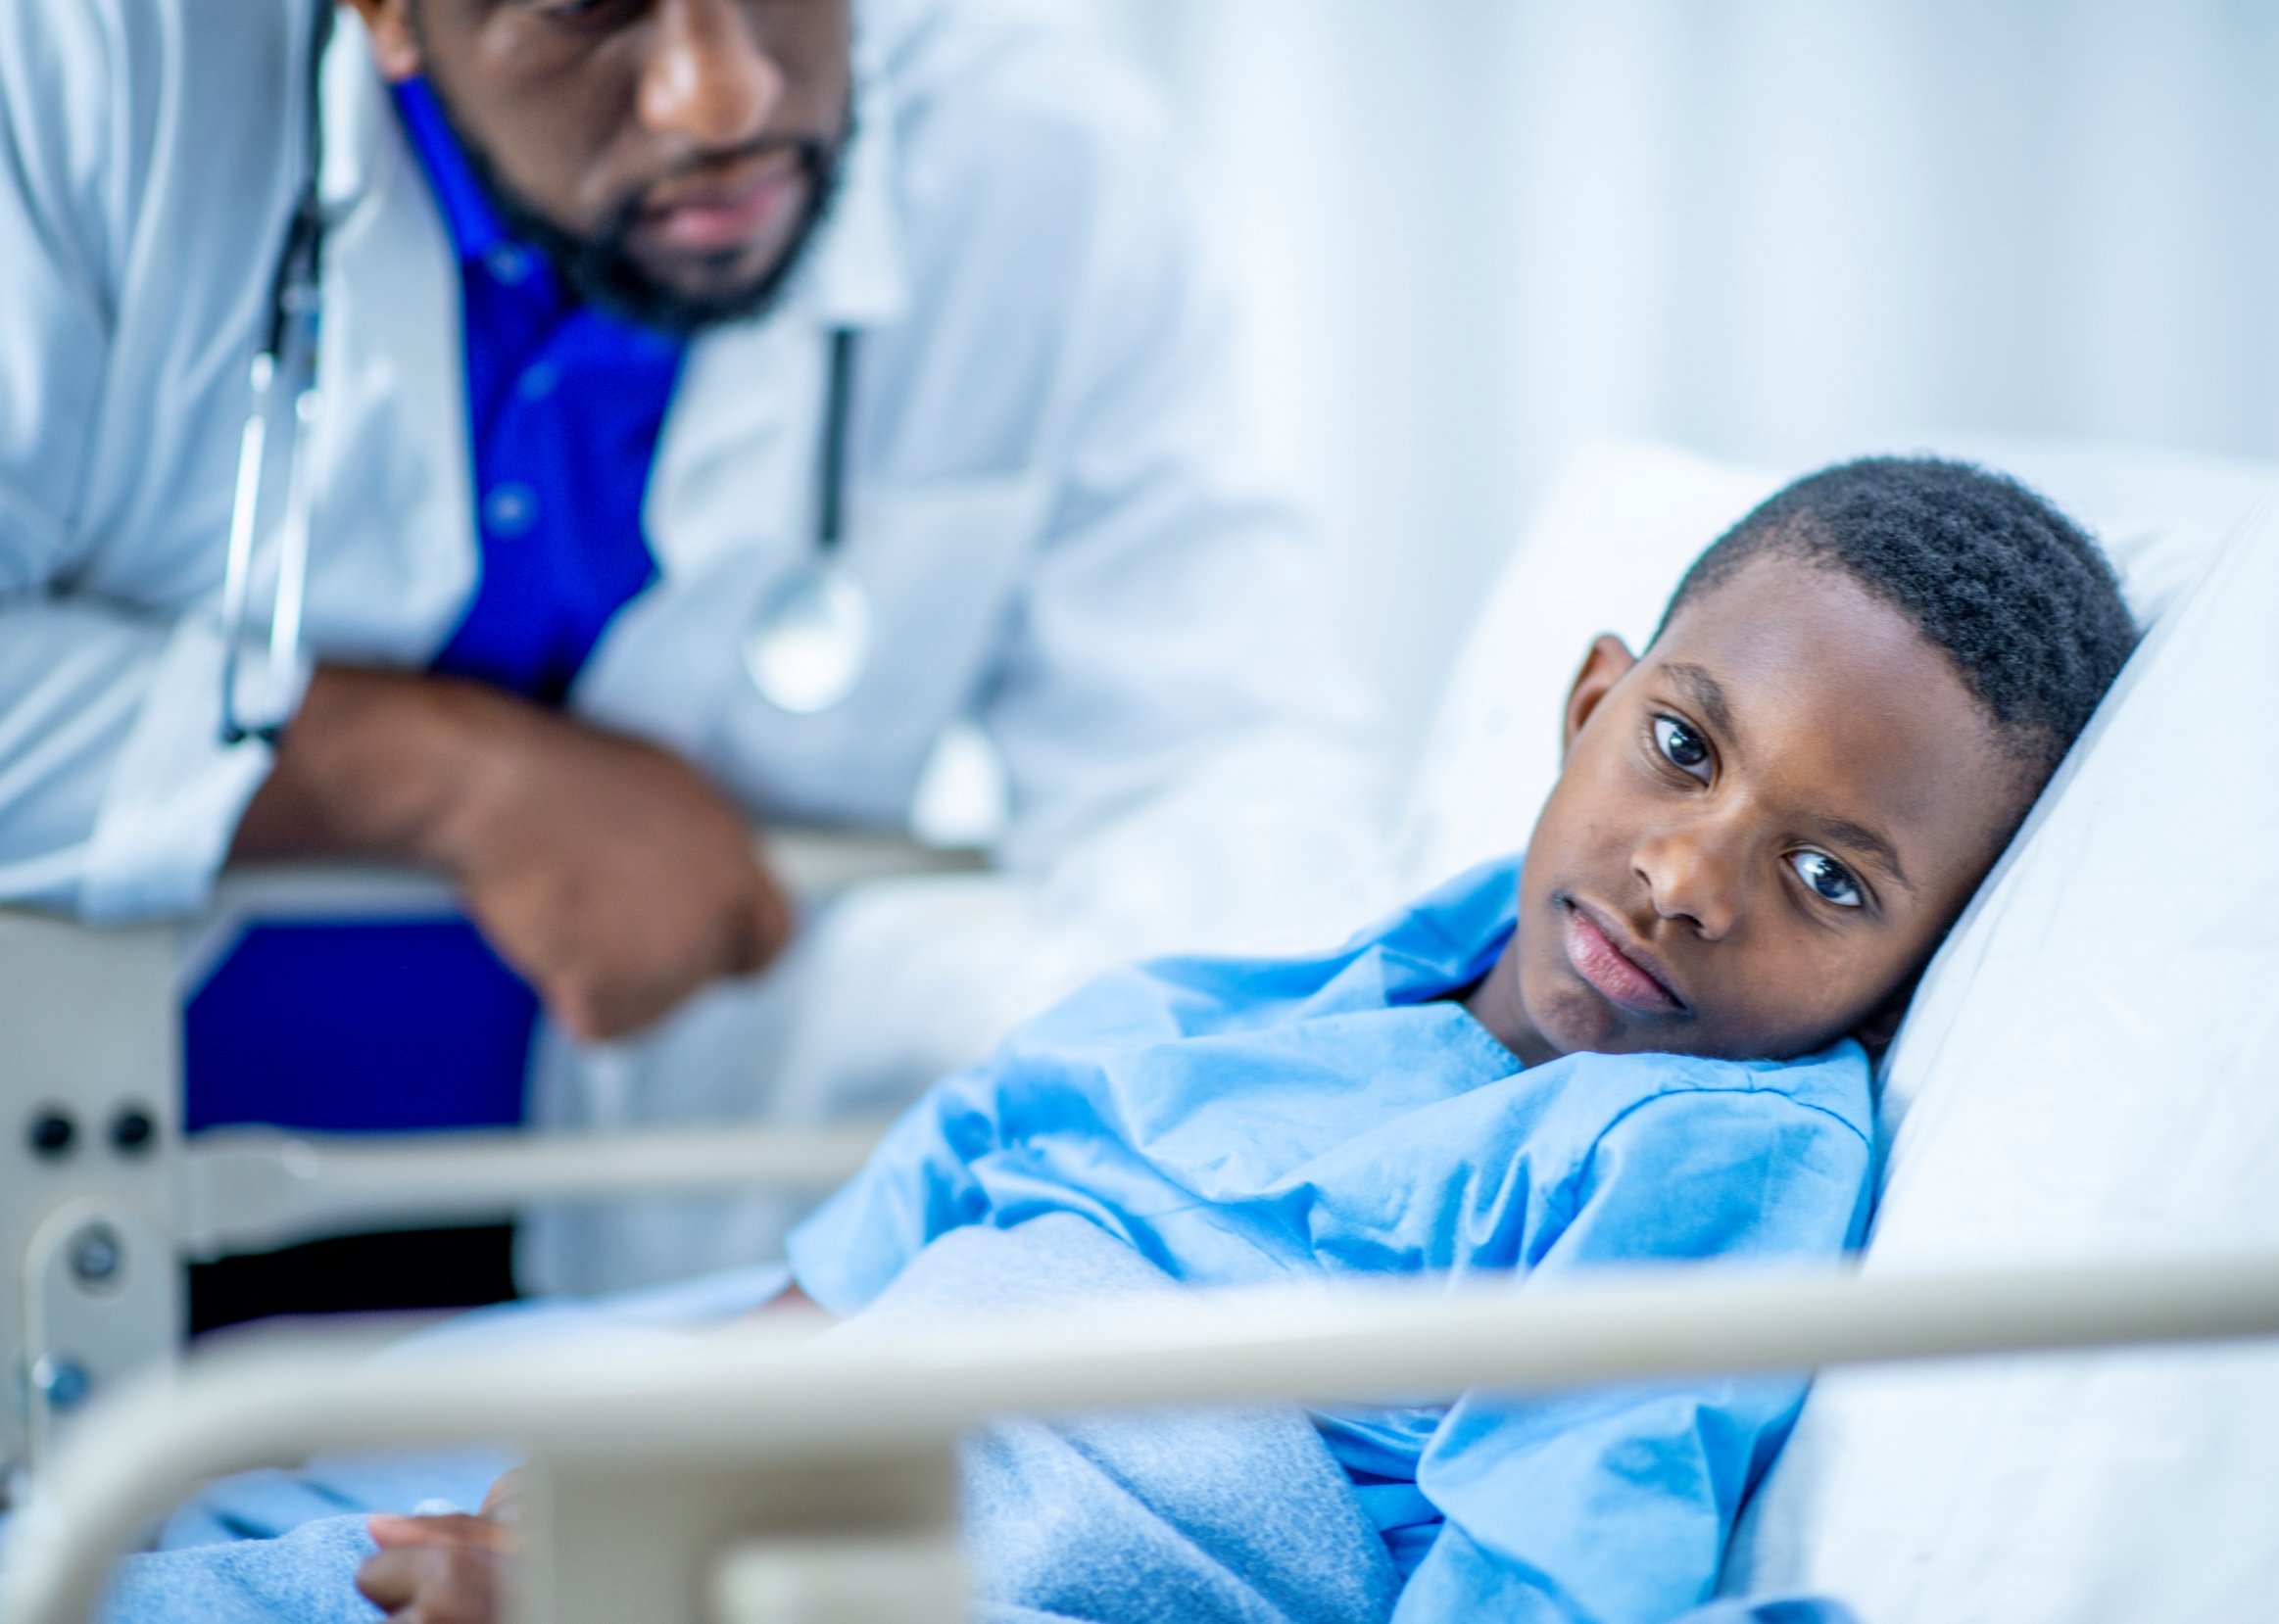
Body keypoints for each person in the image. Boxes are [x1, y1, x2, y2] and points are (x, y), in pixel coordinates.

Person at [99, 457, 2138, 1624]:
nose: (1696, 877)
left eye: (1835, 884)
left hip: (1033, 1558)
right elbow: (836, 1309)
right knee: (183, 1558)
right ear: (1592, 700)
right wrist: (588, 1508)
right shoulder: (1224, 1017)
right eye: (1684, 749)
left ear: (1925, 958)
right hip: (773, 1494)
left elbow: (1545, 1572)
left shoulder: (1697, 1149)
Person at [0, 0, 1384, 1297]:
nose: (721, 93)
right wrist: (441, 778)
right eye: (590, 7)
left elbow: (1216, 758)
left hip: (658, 1263)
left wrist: (1281, 1200)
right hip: (79, 1218)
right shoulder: (90, 74)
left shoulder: (1036, 153)